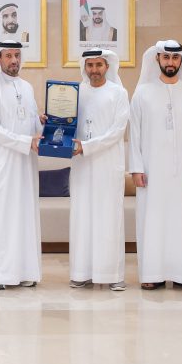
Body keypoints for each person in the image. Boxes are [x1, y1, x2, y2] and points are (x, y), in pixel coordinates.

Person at [129, 40, 182, 291]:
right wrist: (136, 168)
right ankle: (152, 274)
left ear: (181, 60)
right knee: (152, 220)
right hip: (151, 173)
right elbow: (134, 134)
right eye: (166, 57)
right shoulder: (142, 93)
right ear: (157, 59)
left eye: (175, 58)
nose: (170, 62)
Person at [0, 40, 43, 290]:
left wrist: (43, 123)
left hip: (25, 164)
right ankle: (1, 275)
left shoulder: (26, 87)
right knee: (3, 217)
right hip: (2, 164)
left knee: (24, 215)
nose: (14, 60)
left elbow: (31, 123)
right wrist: (26, 141)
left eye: (17, 55)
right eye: (8, 56)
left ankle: (25, 272)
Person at [68, 49, 129, 291]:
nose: (94, 70)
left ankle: (112, 274)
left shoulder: (119, 93)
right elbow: (67, 123)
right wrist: (50, 123)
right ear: (85, 67)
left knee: (108, 217)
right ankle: (81, 272)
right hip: (81, 165)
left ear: (107, 67)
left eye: (98, 65)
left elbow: (117, 131)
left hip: (108, 164)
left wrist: (87, 146)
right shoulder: (76, 92)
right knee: (82, 216)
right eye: (90, 65)